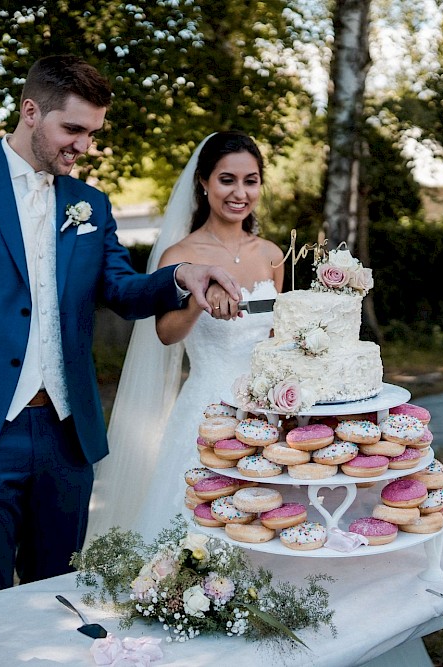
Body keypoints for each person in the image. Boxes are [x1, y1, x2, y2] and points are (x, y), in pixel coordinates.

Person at [0, 56, 241, 591]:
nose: (84, 146)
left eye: (93, 133)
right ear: (31, 111)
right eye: (72, 129)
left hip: (65, 438)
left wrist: (181, 275)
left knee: (57, 594)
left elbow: (121, 290)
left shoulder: (89, 203)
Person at [86, 132, 284, 542]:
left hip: (270, 409)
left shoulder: (271, 254)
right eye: (227, 179)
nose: (240, 192)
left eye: (251, 180)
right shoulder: (179, 255)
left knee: (268, 517)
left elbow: (278, 335)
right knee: (199, 519)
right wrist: (198, 298)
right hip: (208, 408)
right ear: (204, 183)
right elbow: (165, 335)